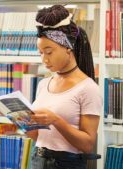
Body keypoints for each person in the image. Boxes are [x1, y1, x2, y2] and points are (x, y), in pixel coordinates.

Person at [27, 5, 102, 169]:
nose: (44, 59)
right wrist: (20, 119)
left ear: (68, 48)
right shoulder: (43, 84)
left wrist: (55, 120)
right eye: (40, 52)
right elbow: (37, 136)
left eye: (49, 52)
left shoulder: (88, 88)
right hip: (38, 160)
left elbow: (87, 144)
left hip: (67, 164)